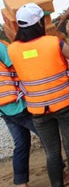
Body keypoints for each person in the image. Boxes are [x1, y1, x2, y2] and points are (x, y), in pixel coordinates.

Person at [7, 3, 69, 187]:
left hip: (38, 110)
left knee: (51, 153)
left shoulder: (12, 49)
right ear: (40, 22)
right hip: (65, 104)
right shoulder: (54, 42)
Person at [0, 39, 38, 187]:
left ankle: (21, 183)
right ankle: (63, 175)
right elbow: (15, 64)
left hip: (4, 108)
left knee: (21, 143)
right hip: (16, 105)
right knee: (48, 139)